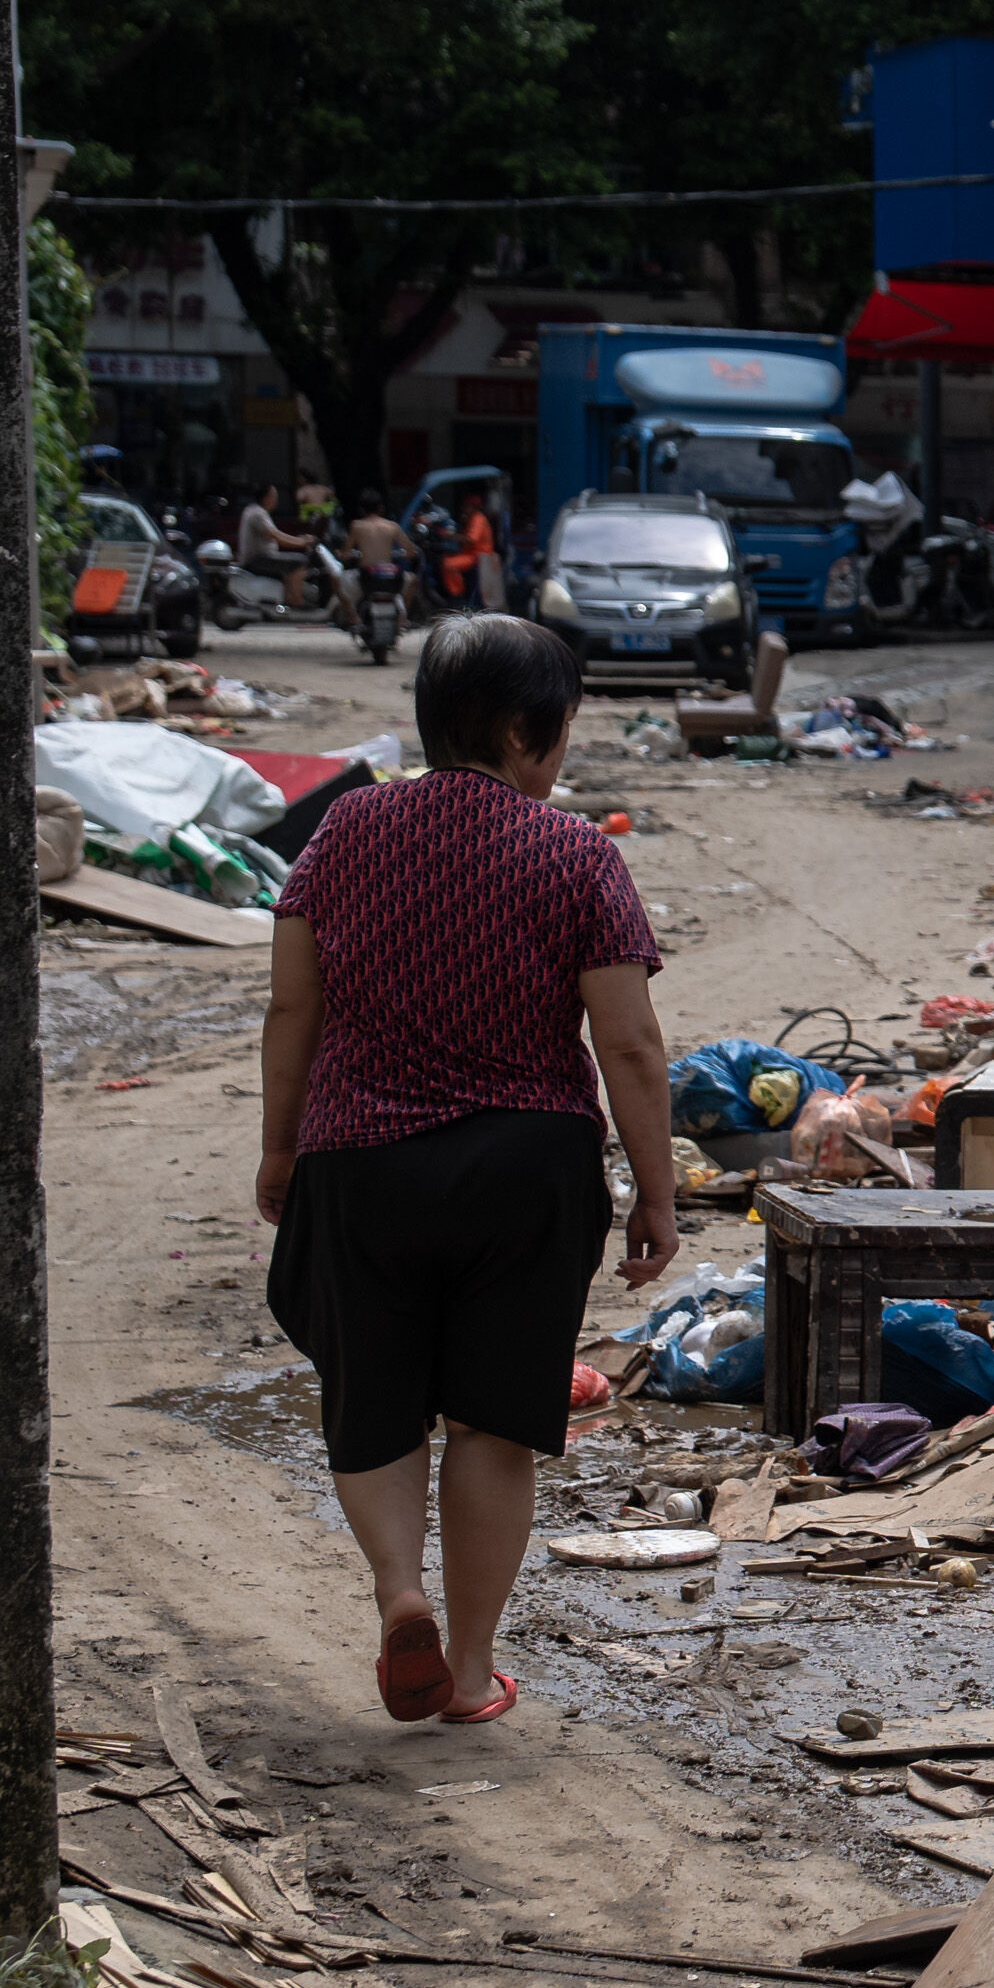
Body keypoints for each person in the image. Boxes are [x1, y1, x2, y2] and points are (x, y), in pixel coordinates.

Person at [254, 615, 676, 1726]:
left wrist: (281, 1147)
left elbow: (293, 1007)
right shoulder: (575, 852)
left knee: (374, 1400)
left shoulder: (343, 829)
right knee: (493, 1420)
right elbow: (629, 1043)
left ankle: (401, 1593)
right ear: (528, 733)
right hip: (524, 1169)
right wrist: (655, 1191)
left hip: (361, 1162)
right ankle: (474, 1668)